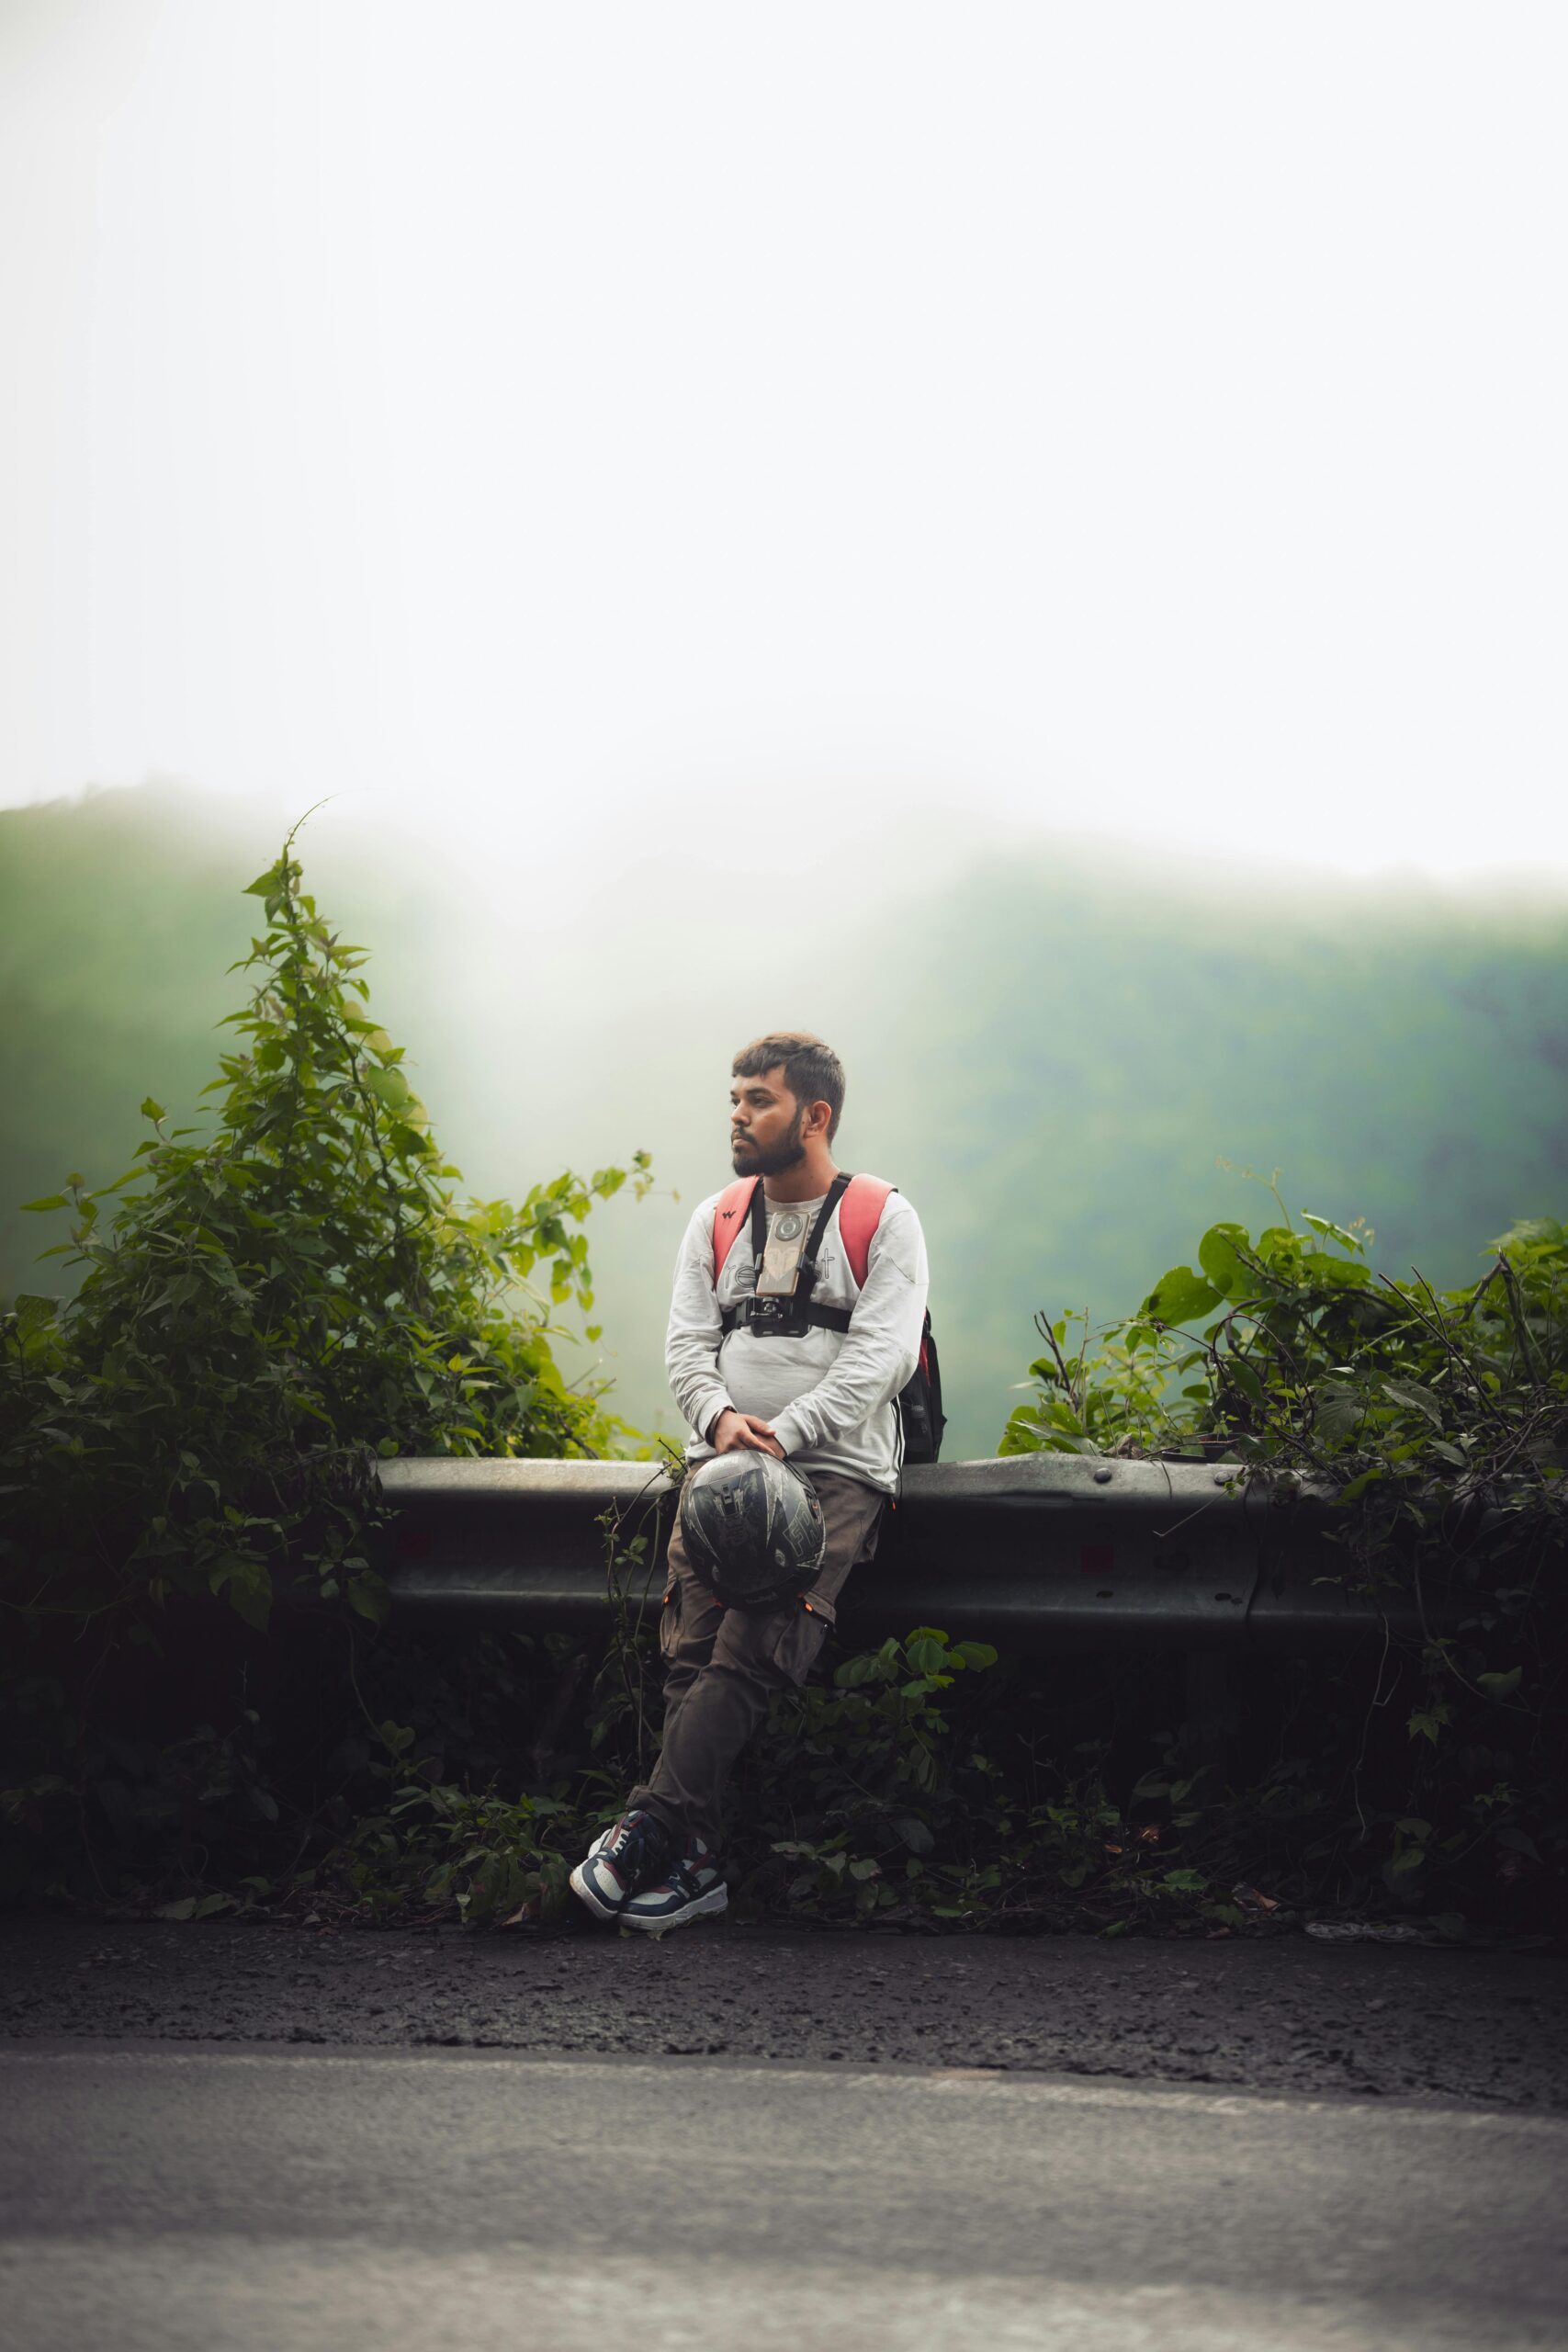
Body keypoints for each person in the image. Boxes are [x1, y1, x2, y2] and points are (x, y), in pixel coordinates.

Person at [569, 1031, 930, 1932]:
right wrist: (726, 1425)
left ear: (815, 1116)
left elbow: (884, 1354)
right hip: (721, 1467)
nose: (738, 1113)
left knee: (749, 1651)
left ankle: (648, 1828)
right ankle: (694, 1868)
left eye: (758, 1099)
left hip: (833, 1472)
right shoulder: (719, 1217)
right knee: (689, 1653)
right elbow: (687, 1348)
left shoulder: (883, 1217)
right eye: (734, 1096)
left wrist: (791, 1431)